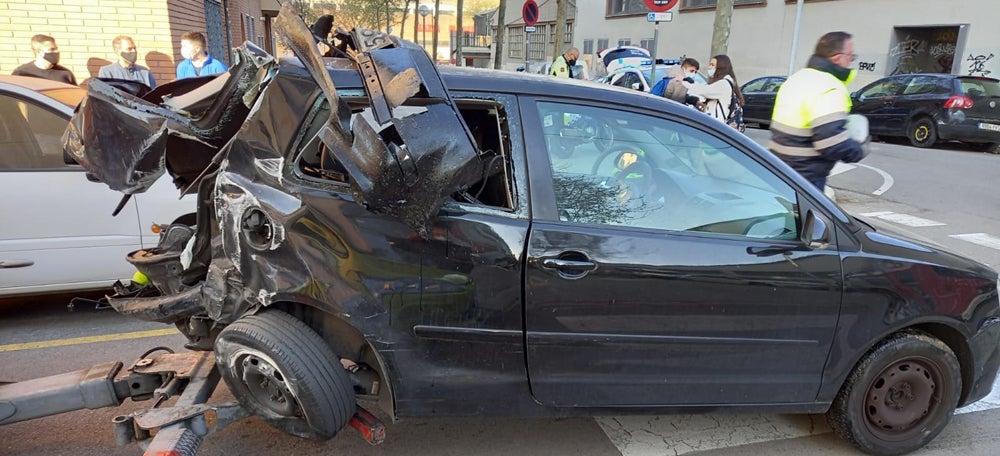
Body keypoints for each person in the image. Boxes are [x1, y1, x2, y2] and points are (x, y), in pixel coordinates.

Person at [769, 31, 867, 191]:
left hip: (782, 169)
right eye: (851, 56)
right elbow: (831, 143)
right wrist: (859, 149)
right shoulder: (828, 86)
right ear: (837, 58)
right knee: (810, 216)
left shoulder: (797, 78)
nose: (851, 61)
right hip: (807, 178)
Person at [685, 55, 743, 123]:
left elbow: (703, 90)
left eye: (712, 65)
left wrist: (684, 83)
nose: (709, 67)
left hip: (717, 124)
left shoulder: (724, 84)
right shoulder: (719, 83)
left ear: (721, 67)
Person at [12, 34, 76, 85]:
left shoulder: (65, 74)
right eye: (52, 49)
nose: (57, 51)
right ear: (39, 52)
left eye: (56, 48)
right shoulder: (22, 73)